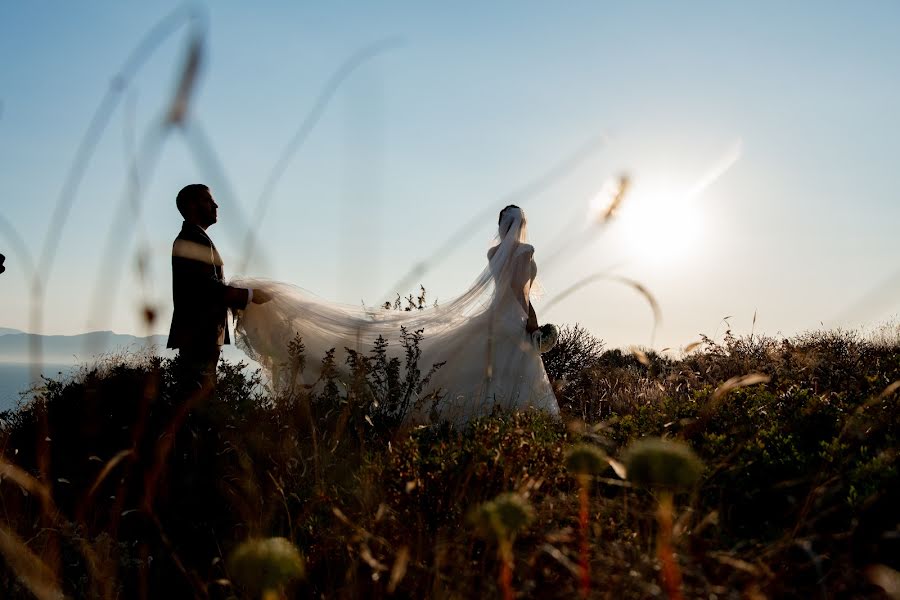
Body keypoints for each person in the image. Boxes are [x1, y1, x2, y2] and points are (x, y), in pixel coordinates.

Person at [232, 204, 558, 425]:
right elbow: (520, 293)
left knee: (490, 372)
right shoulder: (525, 251)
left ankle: (485, 416)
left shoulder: (493, 252)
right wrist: (532, 321)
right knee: (515, 373)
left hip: (494, 318)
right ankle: (521, 421)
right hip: (514, 318)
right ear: (523, 224)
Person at [166, 184, 270, 391]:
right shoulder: (192, 239)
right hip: (199, 335)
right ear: (192, 206)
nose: (216, 205)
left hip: (201, 335)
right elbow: (206, 287)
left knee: (200, 395)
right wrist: (249, 295)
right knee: (198, 398)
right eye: (208, 200)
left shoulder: (196, 237)